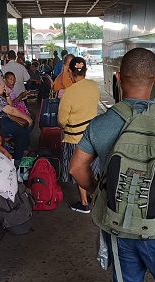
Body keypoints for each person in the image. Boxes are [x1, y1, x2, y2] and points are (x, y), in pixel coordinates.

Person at [69, 48, 155, 282]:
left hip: (120, 223)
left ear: (118, 77)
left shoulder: (100, 124)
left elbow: (76, 168)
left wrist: (103, 191)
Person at [58, 57, 101, 213]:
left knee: (79, 169)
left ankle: (84, 203)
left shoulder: (69, 93)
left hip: (75, 138)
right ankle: (92, 195)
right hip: (93, 135)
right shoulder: (93, 86)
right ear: (85, 70)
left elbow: (61, 121)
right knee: (91, 168)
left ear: (70, 71)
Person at [0, 75, 33, 160]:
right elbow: (11, 110)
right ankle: (17, 158)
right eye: (2, 85)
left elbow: (10, 105)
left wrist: (8, 96)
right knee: (22, 131)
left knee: (21, 128)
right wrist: (27, 118)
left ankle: (23, 148)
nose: (4, 87)